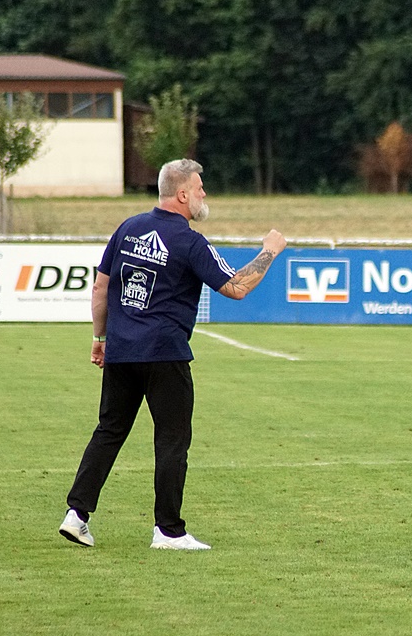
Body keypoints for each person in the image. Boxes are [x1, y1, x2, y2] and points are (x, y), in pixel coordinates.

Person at [59, 158, 287, 551]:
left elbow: (100, 289)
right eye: (200, 188)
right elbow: (235, 287)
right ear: (182, 194)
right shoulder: (189, 241)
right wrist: (269, 252)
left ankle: (76, 515)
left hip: (122, 350)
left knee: (109, 431)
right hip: (164, 353)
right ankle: (168, 531)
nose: (203, 195)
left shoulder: (127, 228)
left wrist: (100, 337)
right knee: (172, 440)